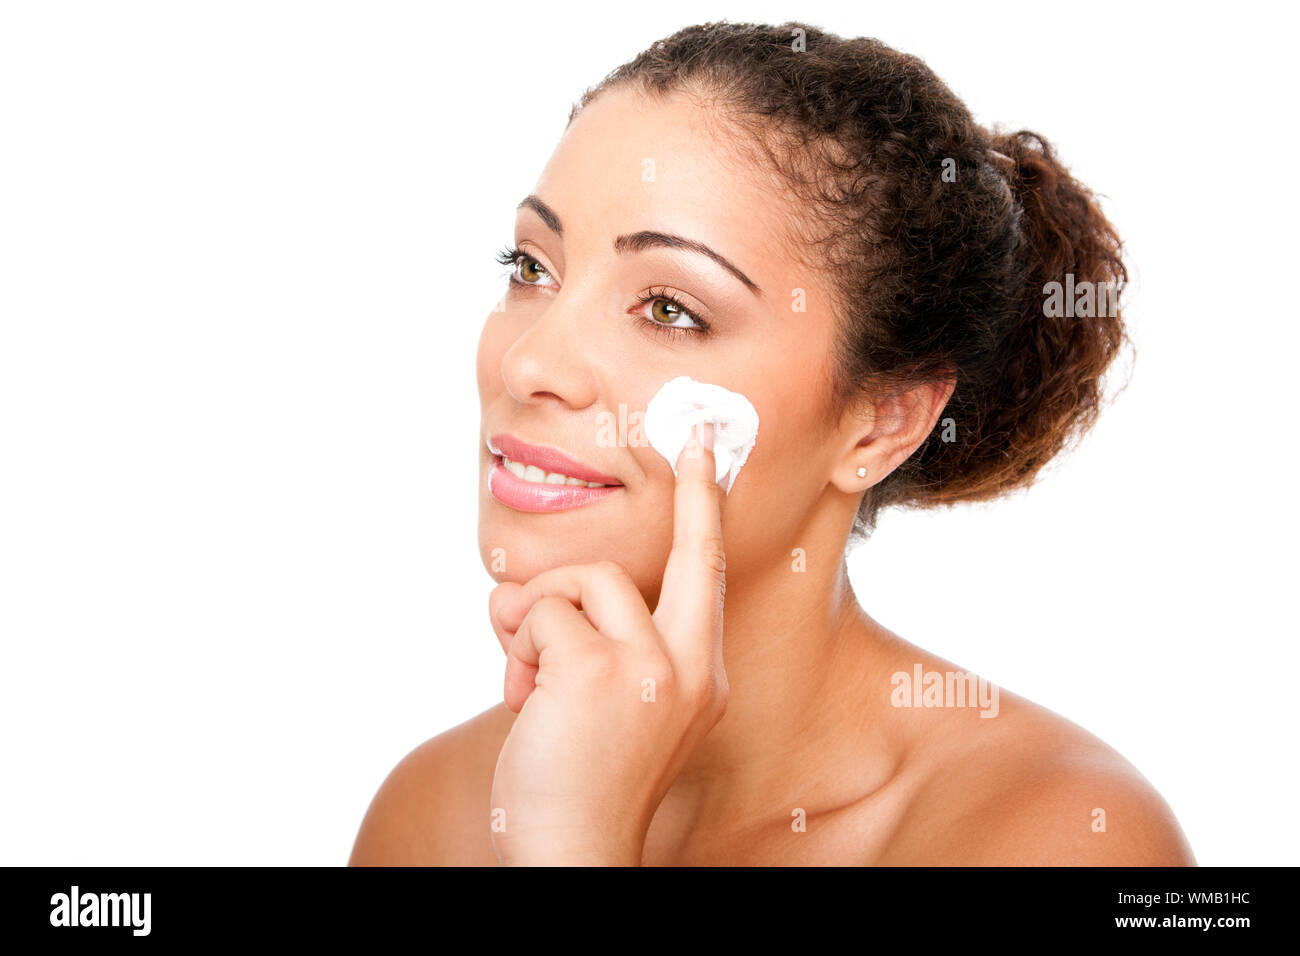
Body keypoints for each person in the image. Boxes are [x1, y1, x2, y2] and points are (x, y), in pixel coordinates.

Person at [349, 21, 1195, 865]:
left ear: (883, 421)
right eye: (533, 267)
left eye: (672, 309)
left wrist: (574, 848)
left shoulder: (1063, 835)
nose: (528, 361)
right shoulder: (437, 814)